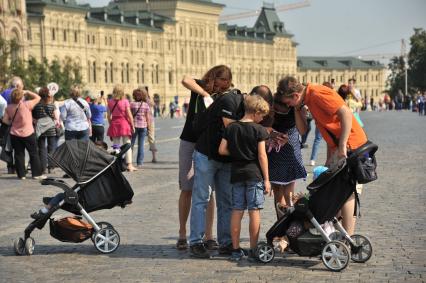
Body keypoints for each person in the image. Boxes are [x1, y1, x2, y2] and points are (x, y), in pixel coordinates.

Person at [277, 76, 368, 235]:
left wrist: (341, 146)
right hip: (339, 147)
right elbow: (303, 130)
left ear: (295, 96)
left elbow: (345, 113)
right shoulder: (306, 100)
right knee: (336, 191)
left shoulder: (318, 93)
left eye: (288, 102)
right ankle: (339, 234)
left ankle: (347, 237)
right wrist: (296, 108)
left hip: (351, 145)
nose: (287, 106)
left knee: (347, 191)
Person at [189, 65, 244, 258]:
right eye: (215, 80)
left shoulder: (231, 98)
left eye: (219, 80)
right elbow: (231, 130)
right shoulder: (227, 100)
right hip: (207, 154)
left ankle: (226, 242)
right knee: (202, 199)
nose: (215, 84)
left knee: (225, 201)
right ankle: (195, 241)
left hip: (223, 157)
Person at [218, 94, 271, 262]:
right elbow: (262, 156)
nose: (262, 119)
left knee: (237, 210)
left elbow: (221, 150)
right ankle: (254, 249)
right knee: (254, 211)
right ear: (255, 112)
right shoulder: (259, 130)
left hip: (236, 174)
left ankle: (235, 249)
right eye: (261, 115)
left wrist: (237, 153)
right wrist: (267, 179)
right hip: (254, 174)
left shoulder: (231, 128)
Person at [176, 73, 219, 251]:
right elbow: (185, 79)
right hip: (189, 140)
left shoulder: (223, 95)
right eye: (219, 81)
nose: (221, 86)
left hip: (207, 144)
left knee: (207, 191)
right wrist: (205, 94)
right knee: (187, 189)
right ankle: (182, 233)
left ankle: (209, 235)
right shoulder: (200, 89)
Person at [266, 80, 308, 218]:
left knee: (289, 187)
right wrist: (272, 132)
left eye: (283, 108)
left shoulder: (295, 107)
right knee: (277, 189)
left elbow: (302, 130)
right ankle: (281, 223)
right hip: (274, 146)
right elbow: (263, 125)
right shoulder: (272, 104)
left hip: (290, 146)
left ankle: (289, 221)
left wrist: (297, 109)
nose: (279, 111)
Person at [2, 88, 46, 180]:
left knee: (18, 154)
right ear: (21, 96)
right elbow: (38, 98)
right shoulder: (27, 105)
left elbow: (5, 121)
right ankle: (36, 174)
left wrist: (13, 123)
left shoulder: (8, 108)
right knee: (33, 153)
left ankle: (21, 175)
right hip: (28, 133)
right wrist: (27, 91)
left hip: (15, 133)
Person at [107, 84, 136, 172]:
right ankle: (129, 165)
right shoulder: (125, 101)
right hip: (124, 123)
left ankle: (117, 164)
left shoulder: (110, 102)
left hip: (114, 123)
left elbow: (108, 115)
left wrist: (110, 124)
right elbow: (129, 115)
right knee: (127, 144)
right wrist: (132, 125)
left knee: (116, 145)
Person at [32, 87, 58, 174]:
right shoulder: (51, 105)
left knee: (41, 149)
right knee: (51, 148)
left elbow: (34, 117)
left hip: (41, 129)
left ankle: (43, 168)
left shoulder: (36, 105)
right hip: (51, 128)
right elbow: (55, 117)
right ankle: (51, 167)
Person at [130, 88, 151, 168]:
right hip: (143, 126)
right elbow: (148, 117)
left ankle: (129, 161)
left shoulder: (131, 104)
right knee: (141, 145)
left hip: (134, 126)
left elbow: (130, 116)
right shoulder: (146, 105)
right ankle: (139, 162)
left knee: (131, 144)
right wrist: (148, 128)